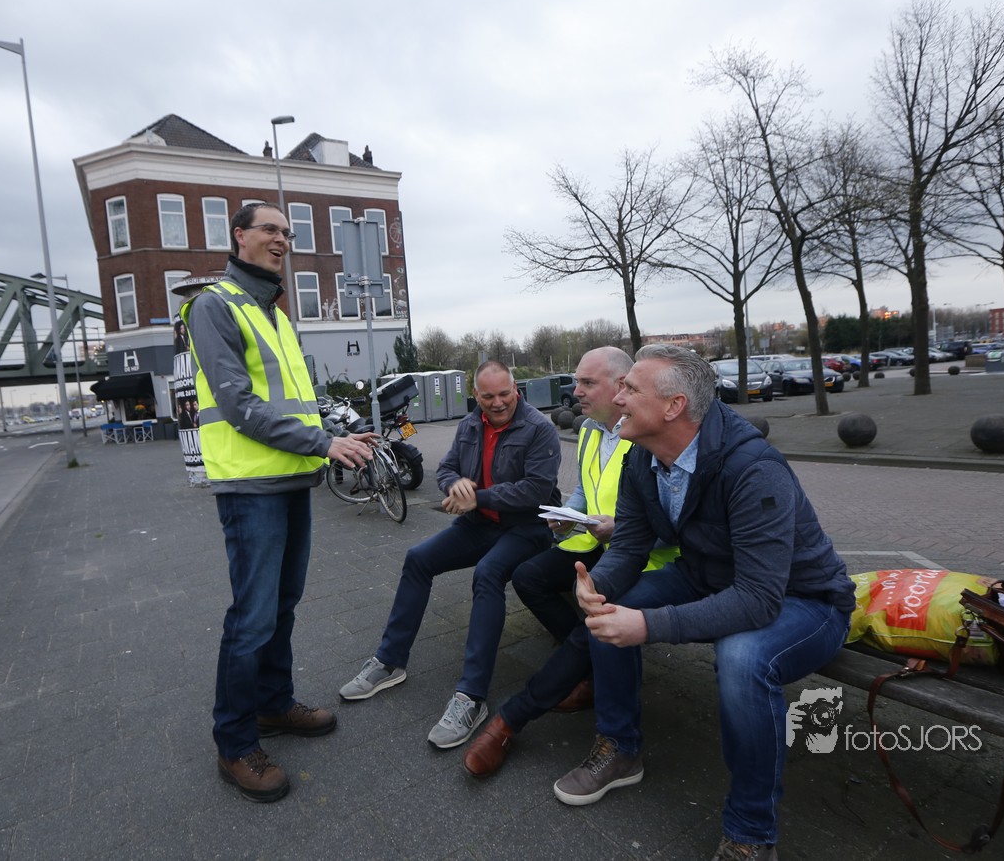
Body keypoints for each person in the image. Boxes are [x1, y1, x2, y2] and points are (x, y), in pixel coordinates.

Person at [464, 345, 854, 861]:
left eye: (630, 389)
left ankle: (751, 830)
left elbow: (758, 599)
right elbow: (629, 544)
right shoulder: (643, 455)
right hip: (707, 575)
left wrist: (648, 625)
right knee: (609, 610)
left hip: (803, 598)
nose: (619, 397)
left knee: (742, 658)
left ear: (673, 406)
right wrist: (596, 585)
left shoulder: (753, 468)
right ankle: (620, 748)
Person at [182, 201, 375, 803]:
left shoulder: (274, 313)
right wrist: (323, 443)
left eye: (287, 232)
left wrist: (338, 431)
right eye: (270, 229)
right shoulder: (215, 306)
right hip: (250, 487)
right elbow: (239, 405)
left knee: (282, 606)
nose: (282, 239)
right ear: (238, 236)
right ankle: (235, 742)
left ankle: (272, 704)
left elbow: (295, 401)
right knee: (252, 617)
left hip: (291, 479)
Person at [339, 360, 561, 749]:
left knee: (487, 573)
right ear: (476, 395)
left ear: (516, 389)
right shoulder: (470, 424)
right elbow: (446, 468)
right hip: (480, 524)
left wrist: (478, 497)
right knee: (418, 558)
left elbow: (537, 490)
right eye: (488, 396)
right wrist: (454, 484)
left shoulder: (539, 428)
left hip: (526, 528)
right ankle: (389, 661)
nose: (498, 403)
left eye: (504, 394)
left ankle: (471, 697)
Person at [507, 347, 679, 714]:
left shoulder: (646, 433)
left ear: (621, 385)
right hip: (595, 539)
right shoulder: (587, 429)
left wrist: (620, 530)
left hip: (644, 553)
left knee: (598, 598)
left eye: (587, 382)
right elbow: (586, 489)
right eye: (576, 382)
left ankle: (583, 672)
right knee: (527, 577)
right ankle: (583, 660)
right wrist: (569, 514)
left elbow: (674, 518)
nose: (576, 391)